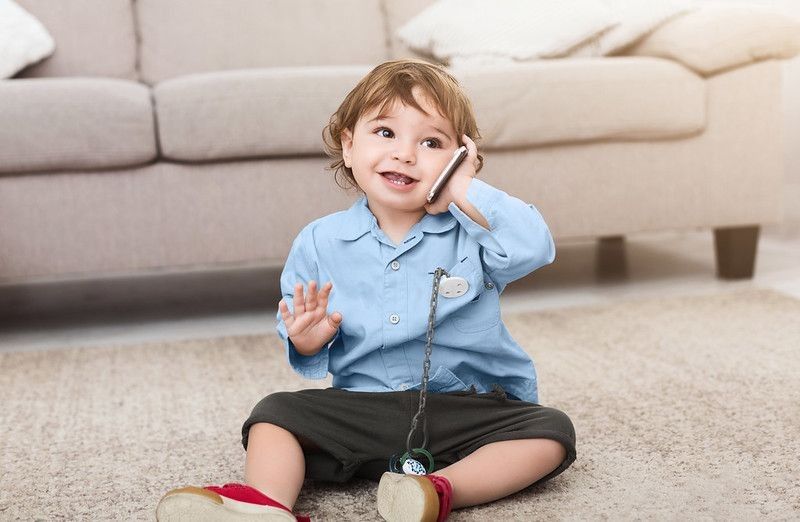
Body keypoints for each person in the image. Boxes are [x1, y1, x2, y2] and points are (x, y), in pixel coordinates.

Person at [156, 58, 576, 522]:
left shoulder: (474, 234)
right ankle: (267, 506)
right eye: (385, 133)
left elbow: (534, 247)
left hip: (462, 410)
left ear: (460, 158)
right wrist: (308, 338)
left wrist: (464, 187)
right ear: (348, 145)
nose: (405, 154)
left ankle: (436, 491)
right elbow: (301, 332)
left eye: (432, 142)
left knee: (551, 430)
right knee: (272, 414)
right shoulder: (319, 240)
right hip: (363, 410)